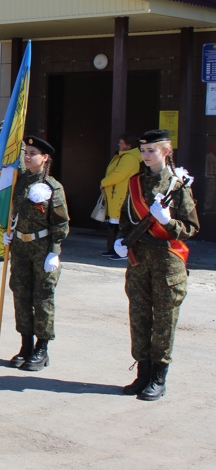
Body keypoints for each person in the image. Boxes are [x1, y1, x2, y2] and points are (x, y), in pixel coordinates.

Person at [115, 129, 199, 401]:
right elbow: (126, 218)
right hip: (139, 260)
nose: (146, 155)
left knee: (164, 320)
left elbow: (190, 227)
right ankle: (143, 372)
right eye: (143, 150)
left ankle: (159, 377)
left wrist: (167, 222)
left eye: (152, 150)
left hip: (167, 261)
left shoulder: (178, 185)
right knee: (139, 317)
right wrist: (121, 239)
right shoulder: (135, 183)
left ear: (166, 151)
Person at [1, 136, 70, 371]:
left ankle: (42, 348)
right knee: (21, 296)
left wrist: (55, 251)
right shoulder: (18, 182)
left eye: (33, 153)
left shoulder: (52, 187)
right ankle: (26, 345)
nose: (28, 156)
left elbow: (61, 224)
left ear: (45, 157)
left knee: (42, 299)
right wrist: (8, 232)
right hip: (20, 247)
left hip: (42, 248)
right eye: (26, 152)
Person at [100, 133, 142, 259]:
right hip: (116, 195)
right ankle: (115, 249)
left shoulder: (129, 158)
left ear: (129, 145)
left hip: (122, 196)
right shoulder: (124, 156)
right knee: (116, 225)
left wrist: (103, 182)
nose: (119, 144)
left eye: (121, 142)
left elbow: (119, 174)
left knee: (122, 225)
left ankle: (122, 251)